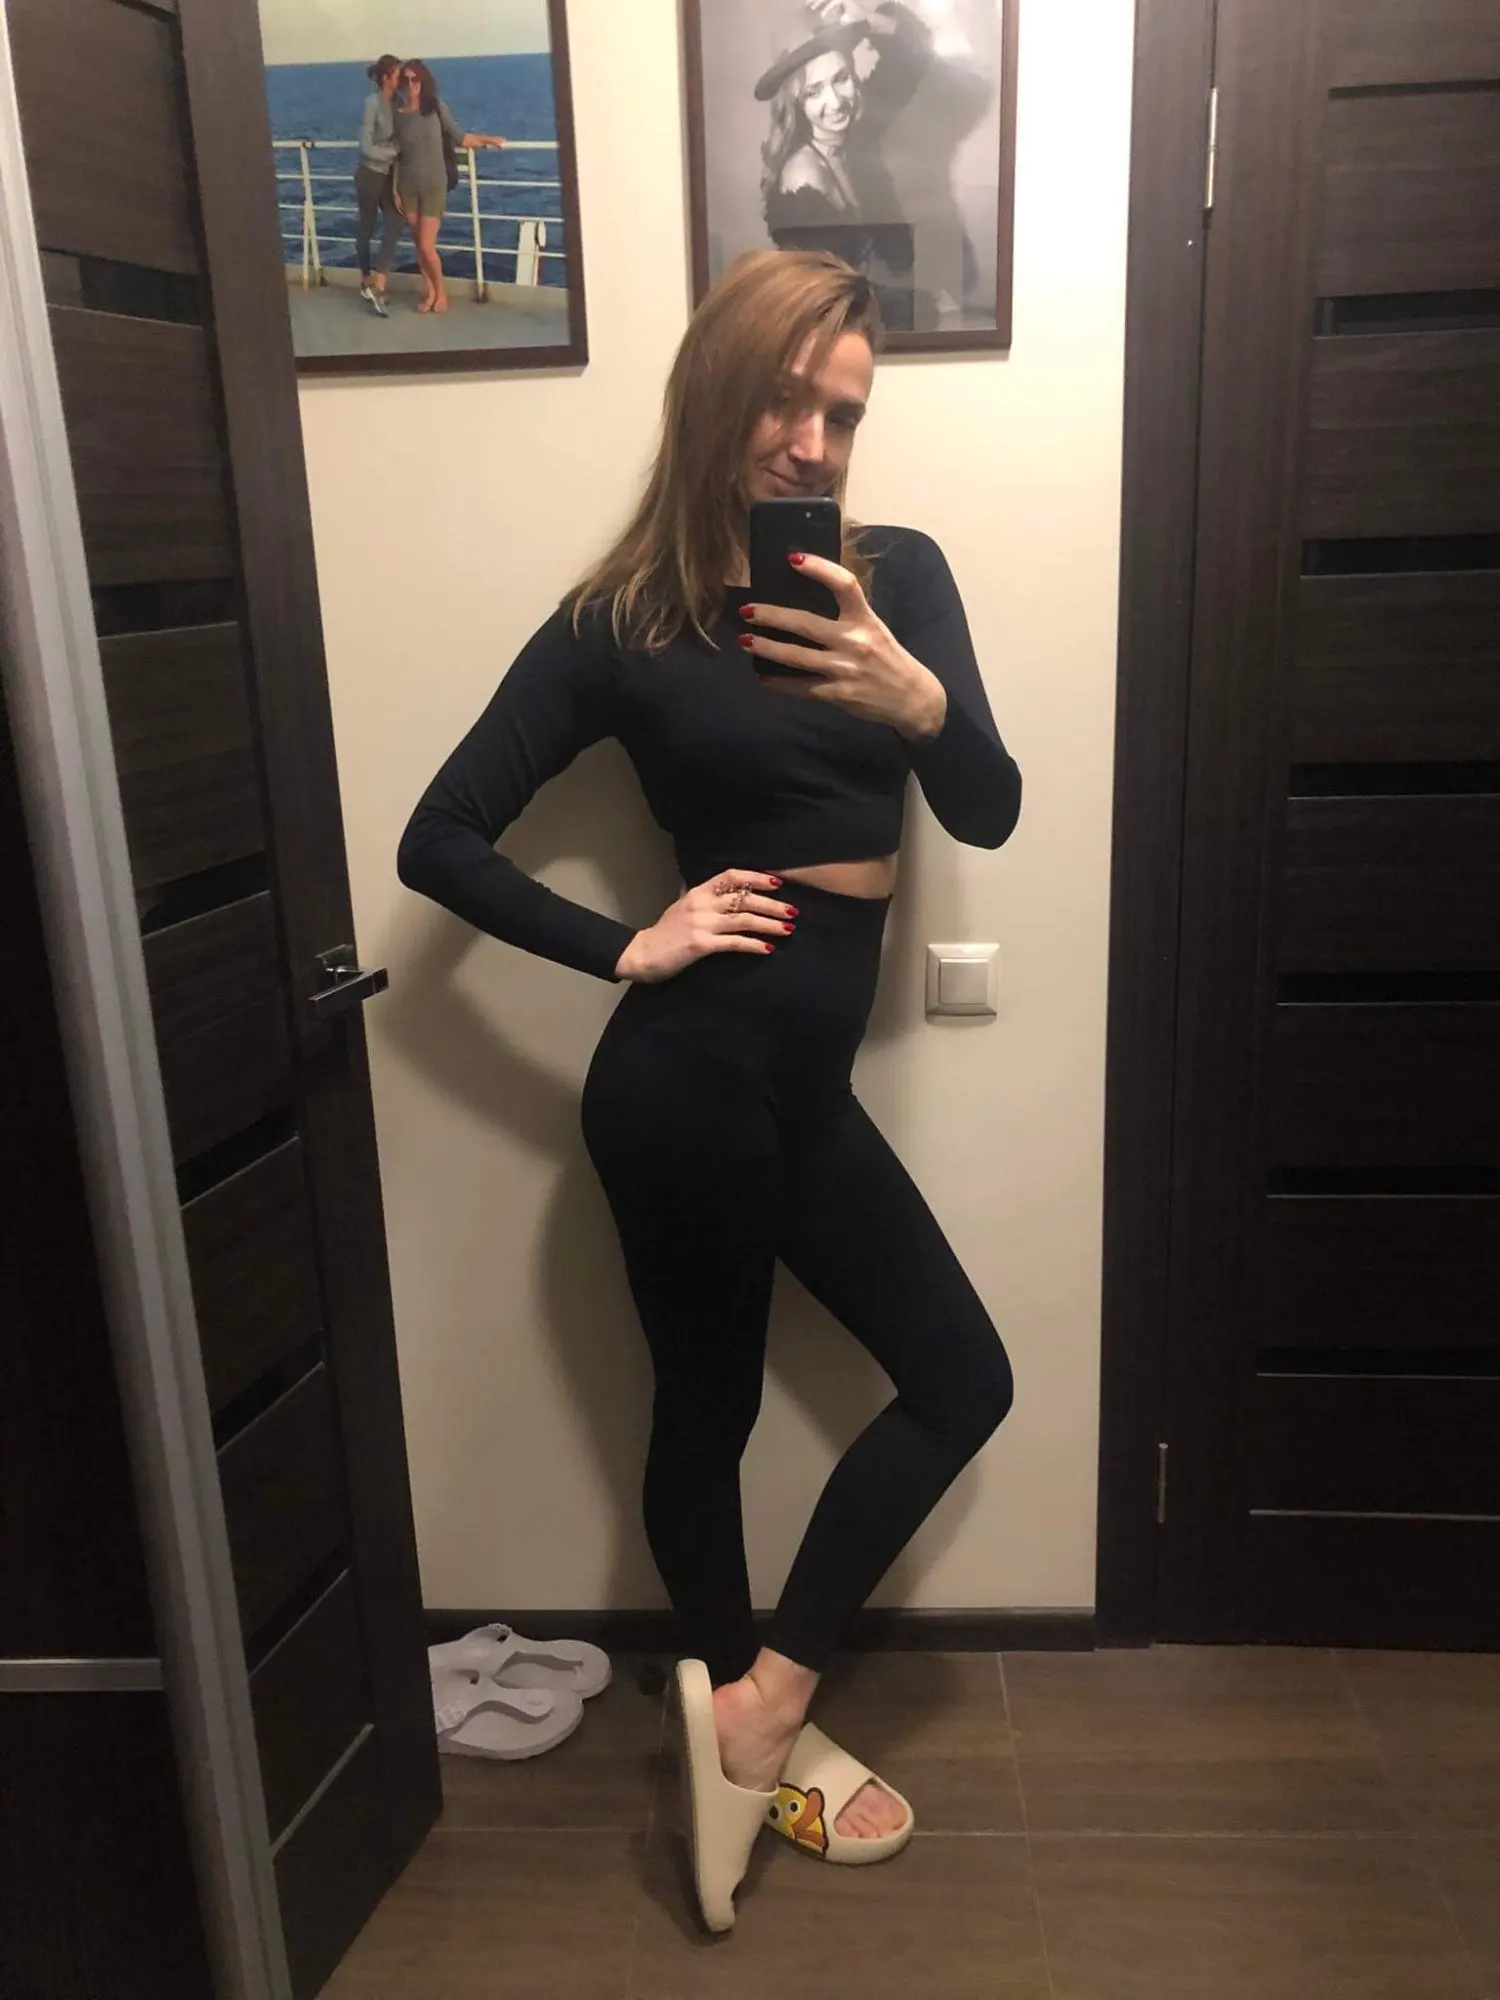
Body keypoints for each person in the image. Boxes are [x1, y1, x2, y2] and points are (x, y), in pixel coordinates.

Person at [397, 250, 1021, 1930]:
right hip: (682, 1084)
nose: (814, 442)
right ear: (716, 389)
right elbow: (438, 838)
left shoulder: (895, 581)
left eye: (846, 414)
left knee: (962, 1378)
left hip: (800, 1085)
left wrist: (921, 699)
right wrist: (627, 944)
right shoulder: (619, 623)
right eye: (787, 398)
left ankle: (752, 1707)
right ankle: (745, 1711)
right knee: (708, 1413)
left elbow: (988, 809)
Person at [758, 2, 932, 331]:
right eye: (813, 92)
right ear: (796, 103)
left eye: (841, 79)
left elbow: (915, 53)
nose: (835, 102)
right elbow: (822, 306)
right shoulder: (803, 178)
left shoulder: (859, 137)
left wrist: (865, 21)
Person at [392, 60, 506, 314]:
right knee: (418, 244)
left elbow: (461, 137)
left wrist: (489, 139)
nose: (411, 85)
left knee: (426, 244)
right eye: (406, 80)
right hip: (407, 186)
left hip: (434, 185)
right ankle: (430, 292)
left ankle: (441, 293)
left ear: (423, 80)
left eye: (415, 79)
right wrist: (394, 189)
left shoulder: (435, 108)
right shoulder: (398, 115)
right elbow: (397, 155)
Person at [354, 55, 403, 317]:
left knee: (395, 222)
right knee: (367, 227)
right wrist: (391, 152)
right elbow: (366, 146)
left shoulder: (399, 103)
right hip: (369, 174)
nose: (401, 79)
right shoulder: (371, 103)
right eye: (398, 74)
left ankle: (379, 281)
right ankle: (365, 279)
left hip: (388, 176)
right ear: (386, 77)